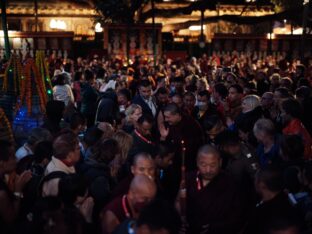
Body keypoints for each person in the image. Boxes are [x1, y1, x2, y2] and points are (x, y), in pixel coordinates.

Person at [177, 145, 244, 234]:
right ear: (197, 162)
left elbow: (236, 215)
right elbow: (178, 201)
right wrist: (179, 220)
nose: (208, 170)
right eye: (203, 165)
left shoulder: (230, 182)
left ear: (220, 162)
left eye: (213, 165)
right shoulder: (188, 178)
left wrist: (217, 227)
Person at [244, 167, 300, 234]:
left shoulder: (261, 214)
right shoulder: (289, 200)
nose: (254, 182)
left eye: (255, 179)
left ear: (262, 184)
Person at [160, 103, 204, 171]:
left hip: (189, 164)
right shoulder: (168, 124)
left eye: (168, 117)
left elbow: (193, 147)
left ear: (177, 115)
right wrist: (163, 138)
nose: (165, 120)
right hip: (173, 163)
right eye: (165, 117)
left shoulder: (191, 125)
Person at [0, 140, 32, 234]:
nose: (16, 160)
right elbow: (11, 218)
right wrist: (18, 189)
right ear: (2, 162)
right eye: (13, 157)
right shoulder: (1, 193)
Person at [42, 131, 80, 197]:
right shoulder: (57, 179)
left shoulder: (67, 164)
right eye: (78, 148)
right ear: (69, 155)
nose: (80, 151)